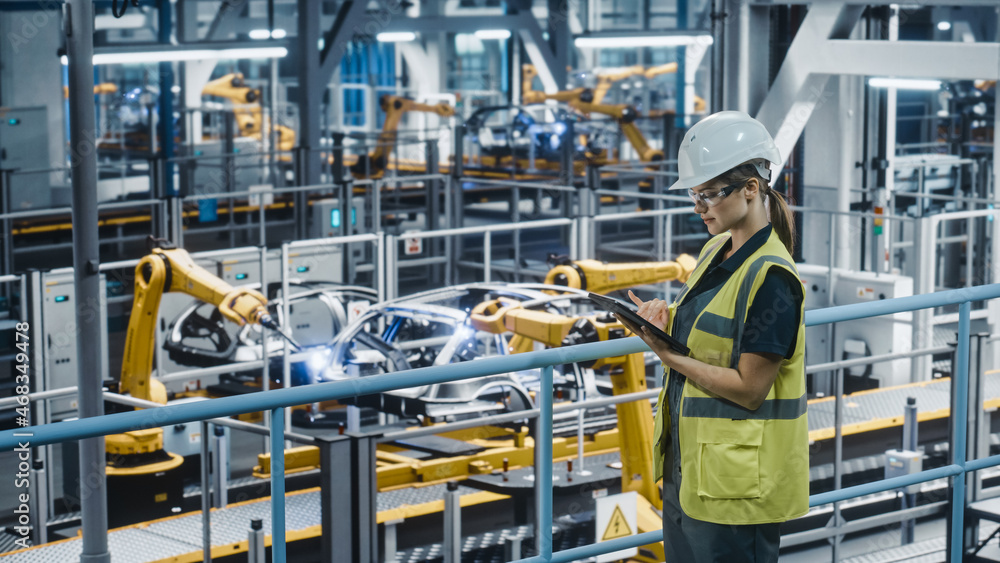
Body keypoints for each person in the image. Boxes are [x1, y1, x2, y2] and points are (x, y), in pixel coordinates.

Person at [620, 111, 809, 563]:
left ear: (751, 188)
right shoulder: (713, 250)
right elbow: (705, 337)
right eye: (695, 194)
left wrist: (666, 354)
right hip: (691, 471)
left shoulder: (774, 280)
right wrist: (663, 321)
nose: (699, 206)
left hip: (737, 488)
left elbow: (749, 390)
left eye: (709, 194)